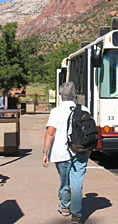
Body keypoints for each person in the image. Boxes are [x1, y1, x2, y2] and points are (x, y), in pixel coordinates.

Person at [42, 82, 90, 224]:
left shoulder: (56, 111)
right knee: (77, 181)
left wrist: (45, 153)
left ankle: (65, 206)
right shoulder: (84, 109)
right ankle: (76, 214)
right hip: (80, 150)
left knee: (64, 182)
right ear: (74, 95)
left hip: (61, 152)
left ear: (61, 95)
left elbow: (50, 133)